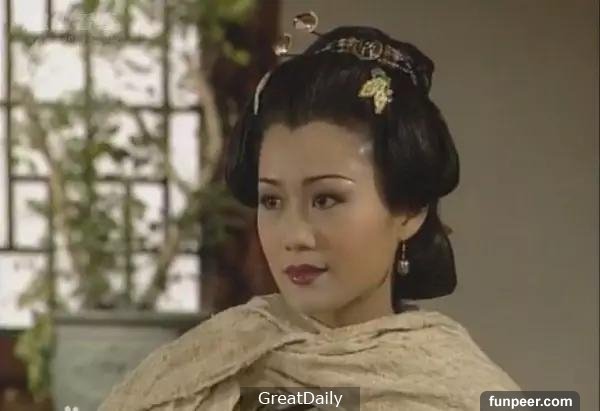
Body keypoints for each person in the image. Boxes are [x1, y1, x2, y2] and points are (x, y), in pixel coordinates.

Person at [99, 20, 520, 411]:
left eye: (326, 199)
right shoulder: (208, 366)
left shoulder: (459, 392)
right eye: (271, 201)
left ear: (409, 210)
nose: (294, 235)